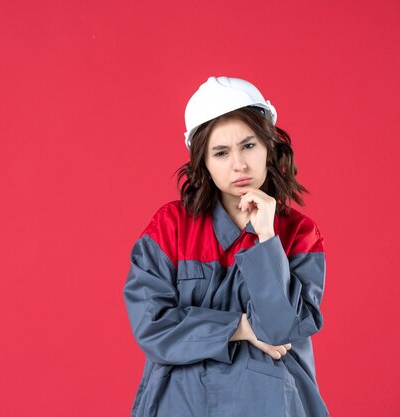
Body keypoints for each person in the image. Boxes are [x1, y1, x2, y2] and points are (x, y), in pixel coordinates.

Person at [123, 76, 329, 417]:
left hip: (275, 404)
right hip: (182, 404)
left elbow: (282, 329)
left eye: (249, 146)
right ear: (202, 161)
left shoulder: (299, 233)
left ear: (268, 147)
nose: (239, 165)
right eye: (221, 152)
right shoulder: (170, 227)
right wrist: (241, 327)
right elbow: (152, 325)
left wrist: (267, 237)